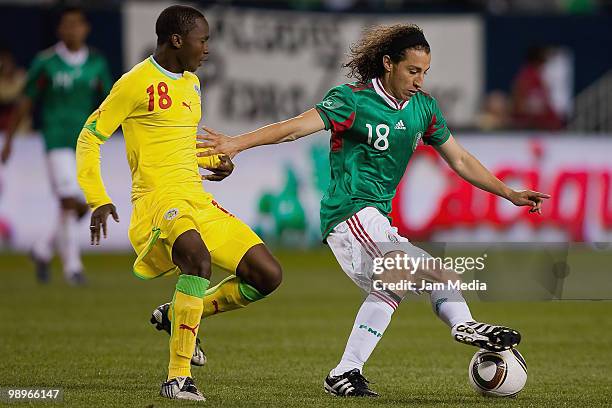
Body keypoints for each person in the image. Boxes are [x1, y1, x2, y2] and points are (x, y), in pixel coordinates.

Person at [198, 24, 550, 397]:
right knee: (404, 273)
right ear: (388, 64)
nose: (419, 80)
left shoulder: (424, 108)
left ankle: (363, 365)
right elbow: (294, 129)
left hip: (377, 219)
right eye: (413, 71)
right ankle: (441, 334)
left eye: (425, 72)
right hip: (349, 213)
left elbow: (460, 159)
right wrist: (236, 143)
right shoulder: (352, 101)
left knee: (432, 277)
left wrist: (508, 193)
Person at [76, 5, 282, 401]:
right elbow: (90, 137)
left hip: (195, 198)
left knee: (267, 275)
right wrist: (97, 198)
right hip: (158, 201)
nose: (207, 48)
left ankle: (178, 314)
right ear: (177, 40)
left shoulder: (190, 83)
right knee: (197, 259)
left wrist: (216, 162)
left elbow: (179, 148)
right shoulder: (134, 83)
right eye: (202, 40)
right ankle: (177, 378)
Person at [1, 7, 112, 284]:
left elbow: (110, 103)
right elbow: (26, 101)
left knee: (73, 203)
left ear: (86, 28)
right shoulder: (46, 62)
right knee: (69, 200)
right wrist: (10, 140)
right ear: (59, 29)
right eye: (66, 25)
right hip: (56, 140)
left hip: (86, 143)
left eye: (76, 25)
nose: (71, 30)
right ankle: (73, 267)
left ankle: (41, 249)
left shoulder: (97, 63)